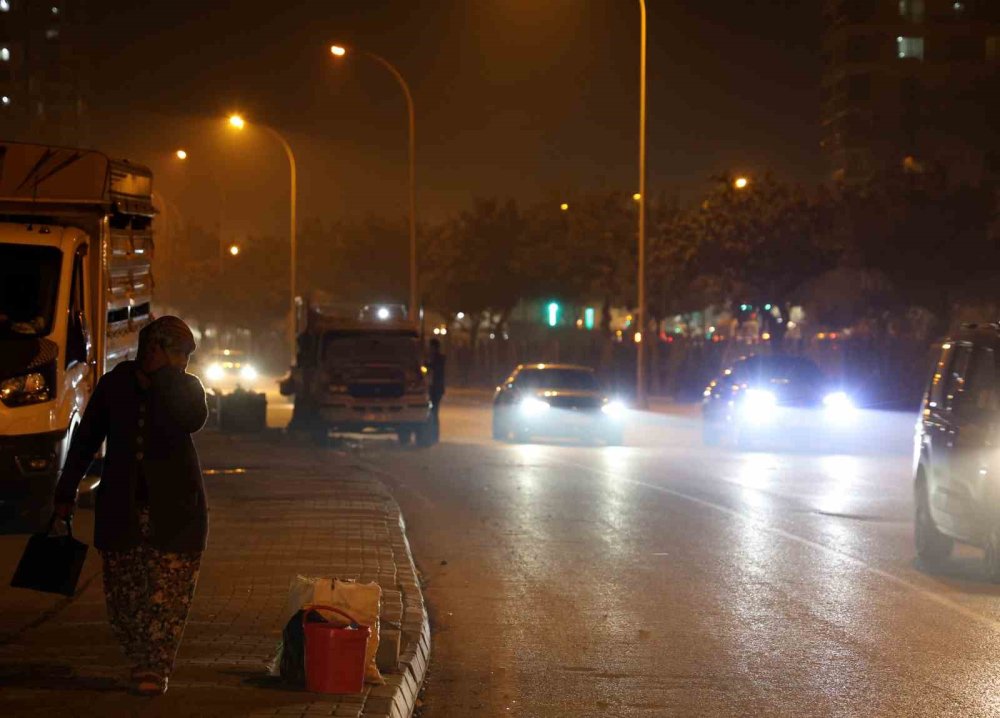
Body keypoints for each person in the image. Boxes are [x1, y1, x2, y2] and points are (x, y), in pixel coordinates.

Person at [53, 316, 208, 697]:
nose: (184, 362)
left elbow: (193, 419)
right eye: (178, 353)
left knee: (167, 596)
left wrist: (166, 377)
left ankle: (155, 667)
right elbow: (86, 441)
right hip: (122, 510)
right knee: (125, 597)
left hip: (176, 512)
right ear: (152, 348)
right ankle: (139, 659)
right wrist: (65, 493)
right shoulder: (115, 385)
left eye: (187, 356)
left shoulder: (186, 386)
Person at [427, 338, 446, 442]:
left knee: (434, 412)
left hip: (436, 389)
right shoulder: (436, 358)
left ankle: (434, 435)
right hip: (435, 388)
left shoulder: (438, 359)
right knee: (433, 412)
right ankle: (433, 434)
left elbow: (433, 368)